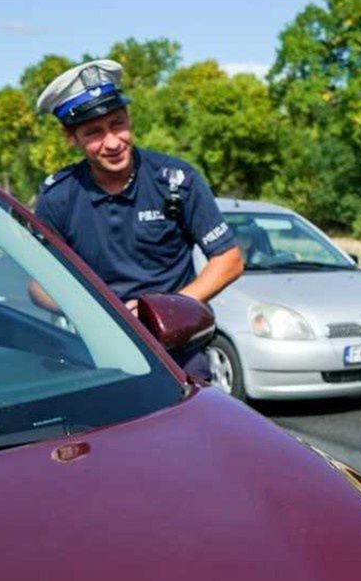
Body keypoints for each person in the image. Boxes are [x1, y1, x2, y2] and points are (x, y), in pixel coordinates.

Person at [32, 60, 244, 380]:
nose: (113, 142)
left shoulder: (176, 181)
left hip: (179, 354)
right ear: (70, 137)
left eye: (118, 124)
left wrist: (165, 310)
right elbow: (38, 285)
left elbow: (229, 260)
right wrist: (96, 312)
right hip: (100, 357)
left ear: (129, 118)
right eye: (94, 132)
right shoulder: (58, 197)